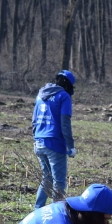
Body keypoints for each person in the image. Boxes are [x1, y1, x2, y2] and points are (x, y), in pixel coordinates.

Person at [32, 70, 77, 208]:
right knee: (59, 182)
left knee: (47, 179)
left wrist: (36, 137)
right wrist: (70, 145)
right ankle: (56, 213)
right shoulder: (63, 96)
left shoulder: (41, 94)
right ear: (69, 85)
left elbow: (34, 120)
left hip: (39, 141)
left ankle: (37, 210)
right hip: (54, 143)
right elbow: (65, 122)